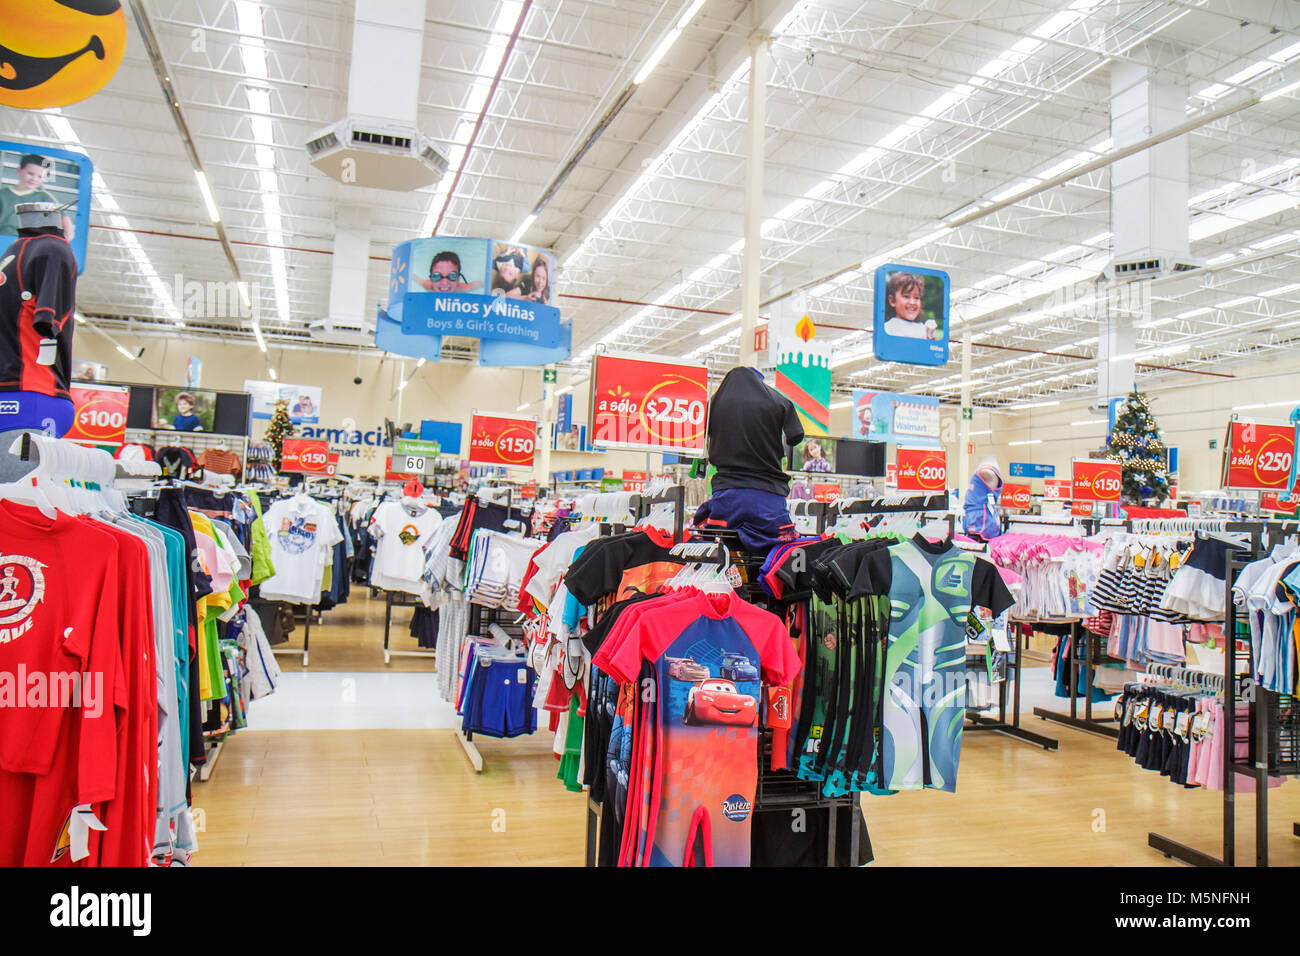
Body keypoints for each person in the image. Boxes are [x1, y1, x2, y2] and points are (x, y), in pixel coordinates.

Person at [0, 154, 74, 240]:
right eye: (30, 173)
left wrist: (67, 235)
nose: (34, 179)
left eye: (40, 176)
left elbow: (63, 216)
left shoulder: (44, 197)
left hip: (32, 243)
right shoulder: (2, 195)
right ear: (19, 171)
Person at [882, 272, 936, 340]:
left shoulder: (923, 329)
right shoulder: (888, 329)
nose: (912, 302)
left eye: (916, 297)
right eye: (906, 296)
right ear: (892, 300)